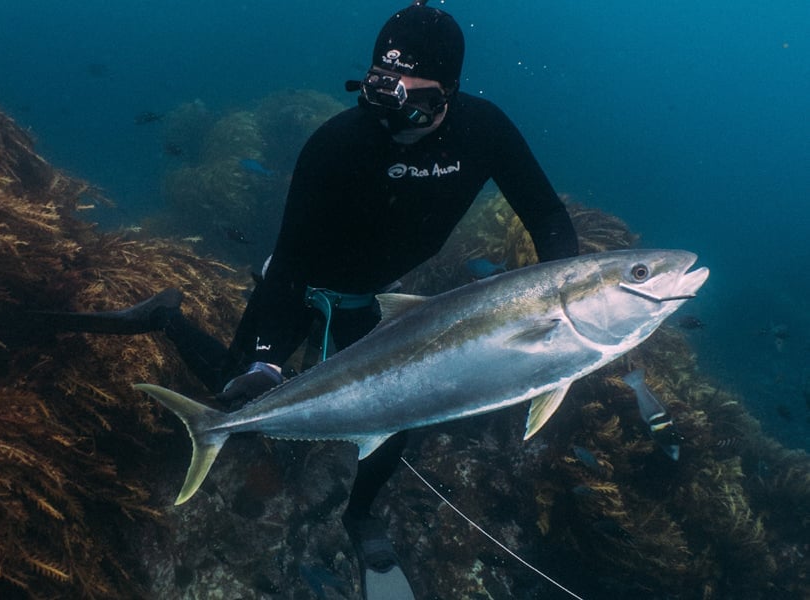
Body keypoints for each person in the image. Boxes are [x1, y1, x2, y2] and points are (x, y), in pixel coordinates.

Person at [41, 2, 578, 598]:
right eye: (380, 93)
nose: (393, 118)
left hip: (373, 296)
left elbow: (548, 215)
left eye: (412, 102)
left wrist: (559, 292)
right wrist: (266, 361)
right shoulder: (337, 143)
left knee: (403, 407)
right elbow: (291, 259)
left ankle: (360, 515)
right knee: (238, 406)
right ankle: (164, 317)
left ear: (448, 92)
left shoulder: (487, 130)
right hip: (299, 286)